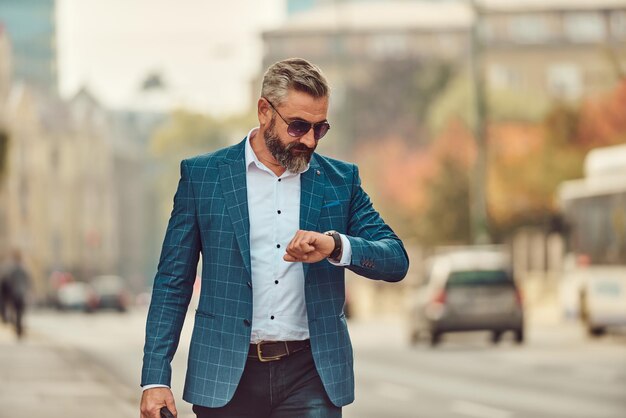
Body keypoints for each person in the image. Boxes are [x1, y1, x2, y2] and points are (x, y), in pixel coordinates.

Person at [140, 58, 409, 418]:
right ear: (264, 111)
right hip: (224, 375)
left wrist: (336, 246)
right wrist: (155, 378)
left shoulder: (340, 181)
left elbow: (395, 259)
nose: (310, 140)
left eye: (320, 128)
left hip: (310, 374)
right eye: (298, 126)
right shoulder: (203, 177)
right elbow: (173, 282)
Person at [0, 250, 31, 338]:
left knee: (16, 311)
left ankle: (18, 328)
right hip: (20, 293)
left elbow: (9, 282)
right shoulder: (23, 269)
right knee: (19, 312)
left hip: (15, 294)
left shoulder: (11, 270)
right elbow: (27, 281)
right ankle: (18, 328)